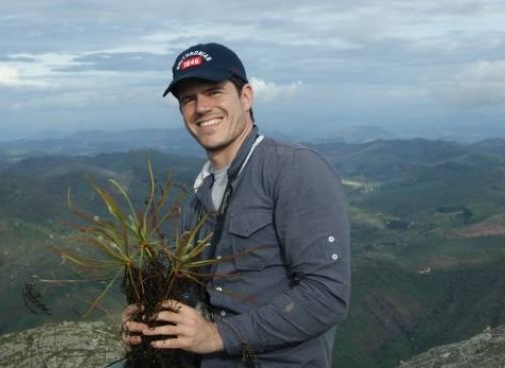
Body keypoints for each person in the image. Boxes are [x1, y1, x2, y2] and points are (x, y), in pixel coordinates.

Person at [120, 42, 351, 367]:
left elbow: (327, 297)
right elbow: (195, 292)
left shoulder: (293, 169)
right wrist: (149, 317)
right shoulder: (200, 197)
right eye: (188, 99)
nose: (201, 107)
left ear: (246, 97)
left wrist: (216, 335)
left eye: (214, 92)